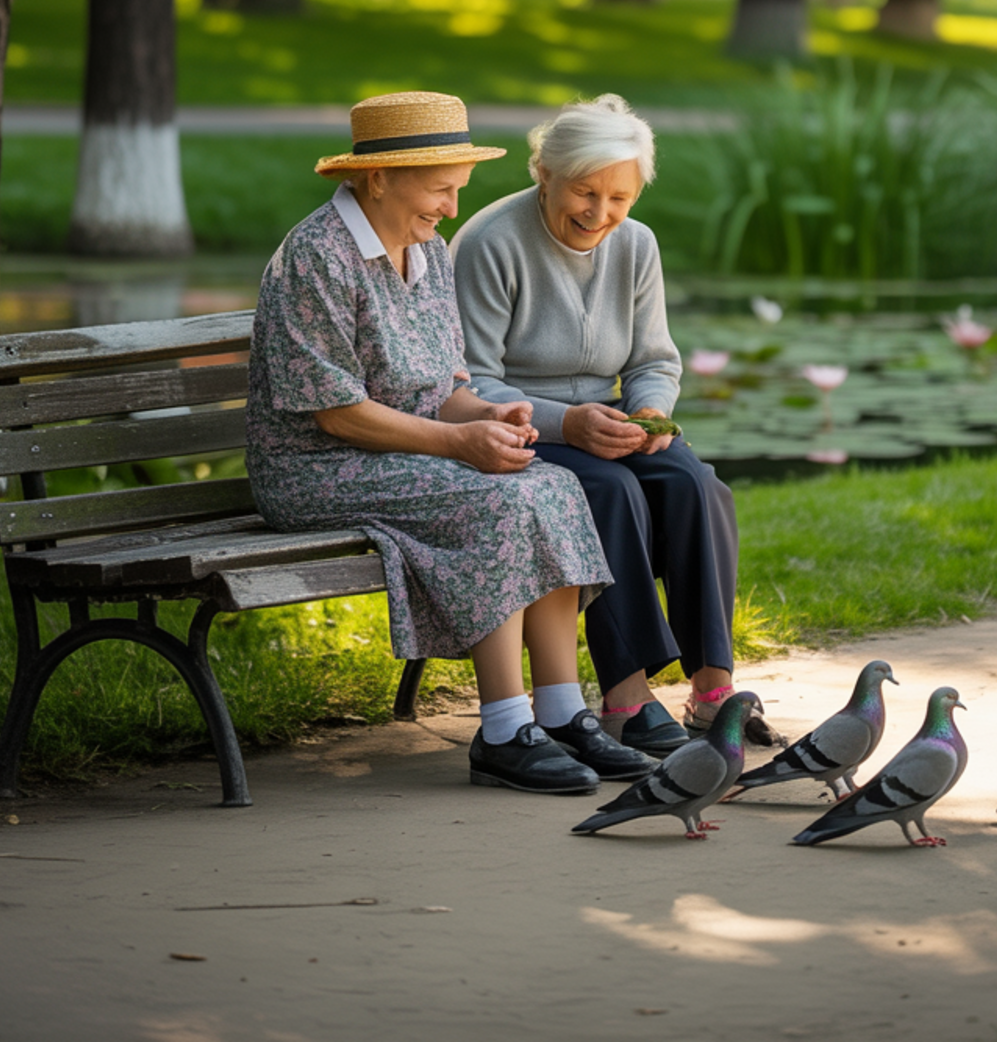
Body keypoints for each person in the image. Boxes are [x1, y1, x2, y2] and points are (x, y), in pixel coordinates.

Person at [245, 91, 654, 794]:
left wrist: (492, 418)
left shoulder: (426, 251)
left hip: (396, 454)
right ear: (380, 178)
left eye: (457, 190)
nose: (452, 210)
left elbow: (447, 384)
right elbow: (335, 415)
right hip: (317, 468)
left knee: (551, 485)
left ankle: (560, 712)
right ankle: (502, 728)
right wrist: (457, 442)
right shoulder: (316, 256)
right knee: (491, 501)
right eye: (441, 190)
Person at [450, 94, 778, 752]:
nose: (601, 215)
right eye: (585, 193)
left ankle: (713, 689)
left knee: (696, 484)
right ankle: (626, 696)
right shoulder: (490, 242)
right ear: (544, 173)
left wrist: (651, 414)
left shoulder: (636, 245)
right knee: (610, 490)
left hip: (605, 421)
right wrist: (566, 423)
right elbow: (469, 381)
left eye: (620, 198)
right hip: (517, 429)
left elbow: (655, 358)